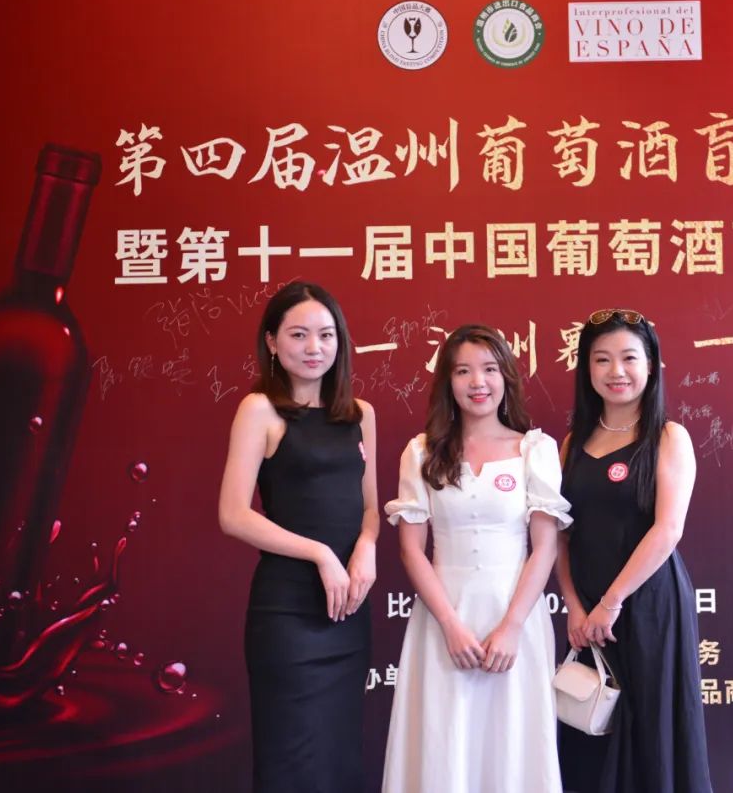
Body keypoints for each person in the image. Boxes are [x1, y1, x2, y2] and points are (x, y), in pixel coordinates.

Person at [382, 324, 570, 793]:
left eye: (489, 369)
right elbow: (411, 549)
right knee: (444, 738)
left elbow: (545, 547)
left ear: (506, 376)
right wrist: (450, 624)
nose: (477, 382)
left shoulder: (535, 450)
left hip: (516, 618)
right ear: (448, 381)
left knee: (513, 740)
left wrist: (511, 627)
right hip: (443, 618)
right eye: (463, 371)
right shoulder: (421, 452)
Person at [218, 281, 378, 793]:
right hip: (287, 613)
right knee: (290, 762)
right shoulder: (259, 410)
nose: (314, 348)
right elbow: (233, 514)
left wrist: (366, 547)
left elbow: (370, 508)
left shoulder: (360, 414)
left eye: (326, 335)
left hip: (347, 612)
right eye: (298, 334)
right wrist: (321, 555)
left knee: (339, 757)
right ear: (272, 341)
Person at [555, 308, 712, 793]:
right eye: (601, 359)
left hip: (647, 606)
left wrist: (612, 601)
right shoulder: (572, 443)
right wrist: (575, 606)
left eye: (629, 358)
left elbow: (668, 530)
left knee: (651, 730)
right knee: (590, 726)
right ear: (587, 368)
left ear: (651, 365)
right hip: (588, 613)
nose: (616, 371)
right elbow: (561, 534)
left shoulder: (668, 437)